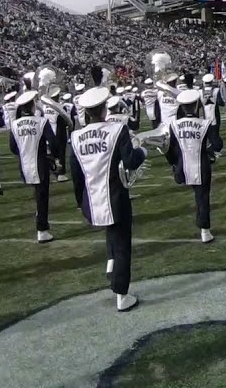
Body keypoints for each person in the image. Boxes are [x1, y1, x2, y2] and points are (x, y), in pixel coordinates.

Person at [69, 83, 148, 311]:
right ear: (104, 108)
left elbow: (76, 174)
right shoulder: (117, 130)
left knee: (111, 231)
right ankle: (122, 295)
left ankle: (111, 263)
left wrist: (79, 201)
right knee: (123, 243)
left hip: (91, 199)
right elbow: (131, 161)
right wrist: (143, 151)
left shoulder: (75, 136)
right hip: (116, 196)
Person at [165, 88, 214, 243]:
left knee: (199, 197)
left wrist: (173, 164)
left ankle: (202, 225)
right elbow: (218, 144)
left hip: (182, 168)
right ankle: (205, 230)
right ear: (197, 105)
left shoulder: (174, 124)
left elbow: (170, 149)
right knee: (202, 197)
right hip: (202, 166)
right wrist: (210, 150)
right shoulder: (205, 123)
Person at [8, 91, 57, 244]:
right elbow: (53, 143)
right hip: (40, 164)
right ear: (33, 105)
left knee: (38, 195)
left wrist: (24, 150)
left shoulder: (14, 124)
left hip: (24, 165)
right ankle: (42, 230)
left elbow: (13, 148)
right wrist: (51, 155)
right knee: (42, 197)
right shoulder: (41, 121)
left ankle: (40, 221)